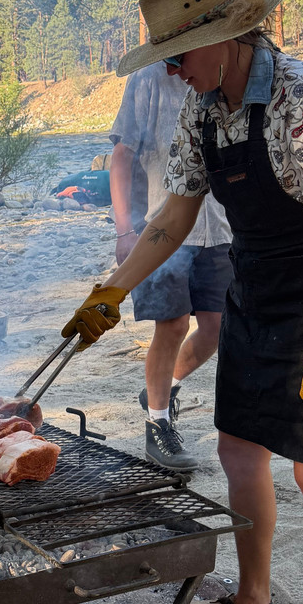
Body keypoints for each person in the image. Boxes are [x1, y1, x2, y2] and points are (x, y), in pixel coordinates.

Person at [61, 0, 303, 604]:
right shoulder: (203, 108)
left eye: (179, 57)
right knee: (238, 453)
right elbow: (175, 215)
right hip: (255, 294)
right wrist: (111, 291)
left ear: (226, 39)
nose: (173, 71)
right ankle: (252, 601)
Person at [109, 62, 234, 471]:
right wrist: (124, 231)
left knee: (217, 327)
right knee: (174, 324)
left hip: (219, 227)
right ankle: (157, 425)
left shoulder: (218, 72)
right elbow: (122, 157)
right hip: (159, 226)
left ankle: (163, 388)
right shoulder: (146, 81)